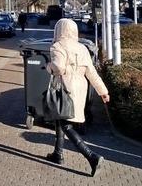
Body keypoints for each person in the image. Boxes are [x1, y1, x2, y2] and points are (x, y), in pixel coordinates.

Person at [45, 18, 110, 177]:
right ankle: (58, 153)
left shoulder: (57, 46)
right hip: (80, 88)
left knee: (66, 124)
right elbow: (92, 73)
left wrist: (49, 67)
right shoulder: (82, 48)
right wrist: (103, 91)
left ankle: (92, 157)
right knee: (61, 119)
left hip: (65, 88)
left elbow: (58, 67)